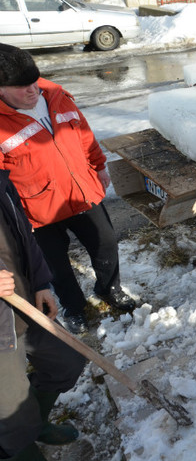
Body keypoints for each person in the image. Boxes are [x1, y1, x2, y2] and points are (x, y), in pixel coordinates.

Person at [0, 44, 137, 335]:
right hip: (36, 212)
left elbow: (84, 133)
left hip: (80, 191)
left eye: (34, 81)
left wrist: (99, 166)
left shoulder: (56, 97)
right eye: (22, 87)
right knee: (56, 268)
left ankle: (109, 288)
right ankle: (74, 307)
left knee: (106, 242)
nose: (32, 90)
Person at [0, 170, 86, 461]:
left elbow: (23, 233)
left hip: (24, 304)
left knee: (67, 362)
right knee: (11, 413)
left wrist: (40, 283)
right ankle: (19, 445)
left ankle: (35, 424)